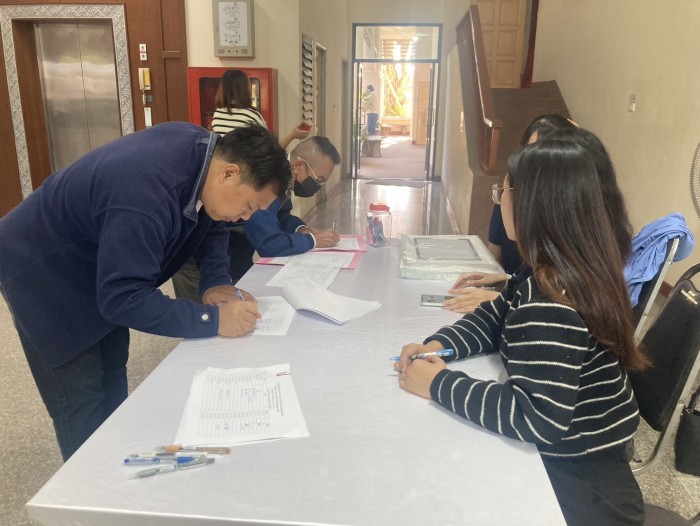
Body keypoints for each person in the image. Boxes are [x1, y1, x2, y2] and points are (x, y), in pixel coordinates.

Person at [0, 122, 291, 461]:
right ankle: (88, 481)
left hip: (97, 260)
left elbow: (212, 220)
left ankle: (113, 463)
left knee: (112, 377)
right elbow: (122, 297)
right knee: (83, 399)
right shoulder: (145, 191)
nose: (244, 217)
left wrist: (216, 281)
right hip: (43, 269)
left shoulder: (207, 161)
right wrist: (212, 319)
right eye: (249, 205)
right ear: (229, 173)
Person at [395, 139, 647, 525]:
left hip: (581, 482)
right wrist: (440, 345)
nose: (500, 199)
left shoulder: (551, 301)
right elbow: (495, 317)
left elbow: (538, 418)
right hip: (578, 452)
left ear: (534, 204)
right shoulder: (546, 269)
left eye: (505, 190)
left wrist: (439, 384)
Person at [444, 119, 634, 313]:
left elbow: (558, 305)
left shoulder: (577, 263)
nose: (531, 168)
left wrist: (505, 302)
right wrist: (507, 283)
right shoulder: (543, 261)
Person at [174, 135, 341, 302]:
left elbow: (281, 216)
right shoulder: (268, 179)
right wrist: (311, 240)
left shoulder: (283, 177)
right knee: (201, 307)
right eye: (318, 179)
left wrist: (301, 229)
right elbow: (268, 243)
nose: (317, 186)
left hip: (231, 252)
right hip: (199, 254)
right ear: (298, 165)